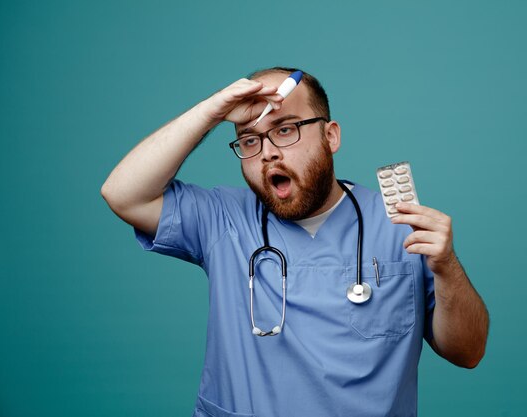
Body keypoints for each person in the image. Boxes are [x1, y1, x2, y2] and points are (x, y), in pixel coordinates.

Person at [101, 67, 489, 417]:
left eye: (285, 129)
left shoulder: (400, 225)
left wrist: (447, 267)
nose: (268, 152)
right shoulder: (222, 219)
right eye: (250, 140)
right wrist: (211, 112)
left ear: (330, 135)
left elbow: (468, 352)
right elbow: (123, 193)